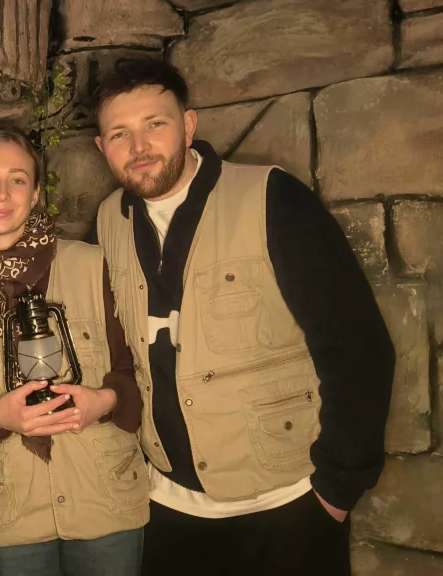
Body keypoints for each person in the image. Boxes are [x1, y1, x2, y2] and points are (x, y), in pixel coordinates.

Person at [88, 59, 396, 575]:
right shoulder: (107, 221)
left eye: (155, 124)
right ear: (102, 148)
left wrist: (336, 489)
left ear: (188, 126)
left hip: (287, 507)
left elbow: (357, 348)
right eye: (120, 134)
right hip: (166, 509)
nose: (139, 147)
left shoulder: (272, 197)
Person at [0, 127, 147, 576]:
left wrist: (105, 401)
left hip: (105, 507)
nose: (1, 193)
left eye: (17, 179)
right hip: (11, 520)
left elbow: (138, 373)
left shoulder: (91, 265)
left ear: (35, 194)